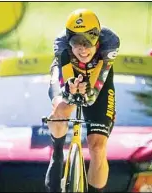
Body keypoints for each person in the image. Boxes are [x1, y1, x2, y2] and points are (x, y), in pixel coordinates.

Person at [45, 8, 120, 193]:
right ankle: (57, 154)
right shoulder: (61, 45)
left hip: (97, 79)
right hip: (69, 75)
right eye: (76, 42)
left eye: (89, 41)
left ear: (98, 38)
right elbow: (64, 81)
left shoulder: (110, 42)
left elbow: (93, 93)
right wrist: (70, 92)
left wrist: (86, 91)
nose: (83, 48)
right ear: (68, 39)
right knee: (61, 107)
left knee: (97, 146)